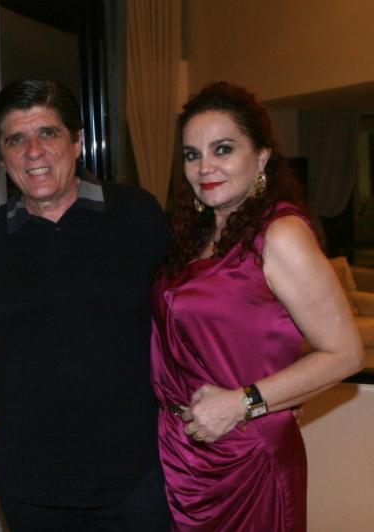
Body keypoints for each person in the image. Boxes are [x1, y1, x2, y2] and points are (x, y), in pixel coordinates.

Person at [0, 78, 171, 531]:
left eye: (48, 133)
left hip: (136, 478)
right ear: (1, 159)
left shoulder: (137, 214)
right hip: (32, 487)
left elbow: (187, 318)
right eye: (15, 140)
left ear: (77, 142)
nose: (33, 151)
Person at [151, 81, 364, 531]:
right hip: (183, 456)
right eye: (192, 154)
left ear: (262, 157)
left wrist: (244, 403)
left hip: (248, 458)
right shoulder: (193, 238)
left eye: (223, 149)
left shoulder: (280, 233)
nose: (205, 167)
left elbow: (345, 353)